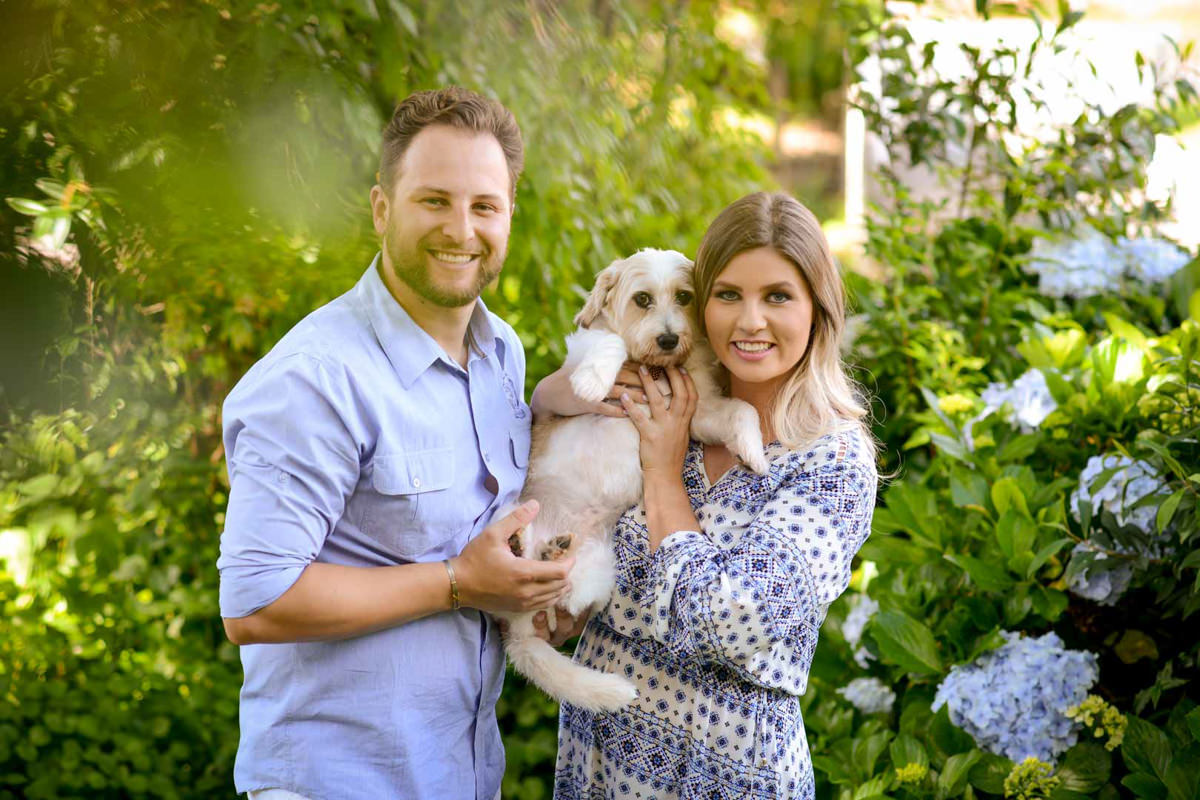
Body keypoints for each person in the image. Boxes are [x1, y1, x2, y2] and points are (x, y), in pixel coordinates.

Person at [217, 87, 594, 800]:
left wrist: (531, 591)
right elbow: (254, 604)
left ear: (510, 212)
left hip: (460, 776)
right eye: (434, 201)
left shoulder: (500, 354)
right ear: (382, 208)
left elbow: (475, 544)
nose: (462, 229)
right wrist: (457, 583)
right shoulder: (317, 379)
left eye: (484, 205)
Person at [553, 191, 879, 799]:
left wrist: (664, 474)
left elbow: (729, 623)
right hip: (601, 758)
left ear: (818, 310)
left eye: (777, 296)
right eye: (728, 295)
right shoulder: (671, 404)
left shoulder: (831, 462)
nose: (750, 321)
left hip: (718, 770)